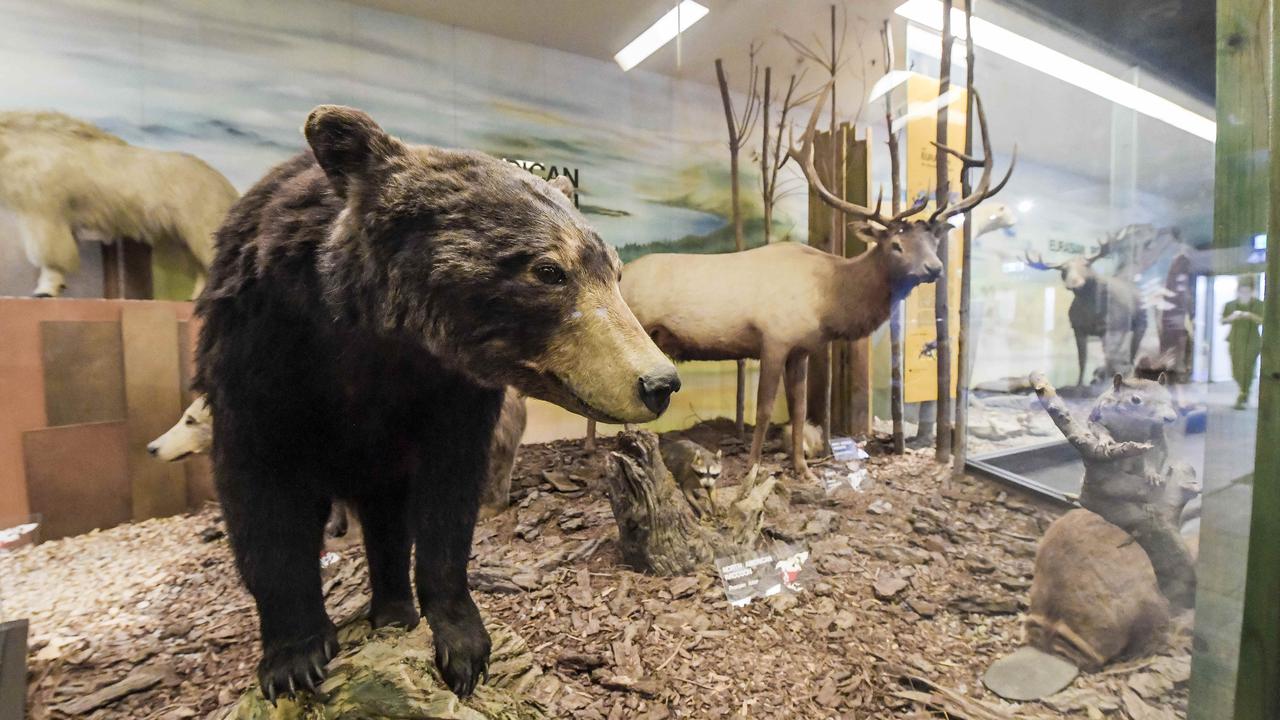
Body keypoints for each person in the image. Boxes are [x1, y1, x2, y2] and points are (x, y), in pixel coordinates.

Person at [1223, 275, 1264, 409]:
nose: (1244, 294)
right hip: (1235, 340)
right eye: (1242, 291)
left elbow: (1263, 320)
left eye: (1247, 291)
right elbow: (1223, 321)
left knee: (1247, 368)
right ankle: (1244, 391)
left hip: (1252, 341)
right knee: (1236, 370)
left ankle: (1243, 394)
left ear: (1252, 291)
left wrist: (1249, 315)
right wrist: (1232, 317)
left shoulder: (1258, 304)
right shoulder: (1231, 305)